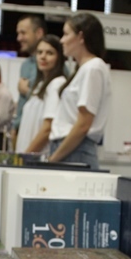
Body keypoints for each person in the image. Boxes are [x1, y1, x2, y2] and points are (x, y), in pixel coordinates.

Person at [48, 13, 112, 169]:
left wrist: (53, 159)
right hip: (70, 148)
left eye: (66, 34)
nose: (62, 40)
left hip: (75, 150)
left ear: (81, 37)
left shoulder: (93, 68)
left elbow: (84, 124)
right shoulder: (83, 69)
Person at [16, 35, 66, 154]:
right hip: (28, 154)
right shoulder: (39, 86)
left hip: (37, 157)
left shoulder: (57, 84)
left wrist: (26, 155)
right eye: (39, 52)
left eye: (49, 53)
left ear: (59, 57)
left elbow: (47, 128)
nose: (43, 57)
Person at [13, 15, 46, 142]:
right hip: (21, 130)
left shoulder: (55, 66)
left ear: (38, 33)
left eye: (23, 33)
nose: (19, 38)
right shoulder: (25, 65)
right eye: (18, 33)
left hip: (39, 134)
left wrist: (26, 90)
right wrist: (16, 126)